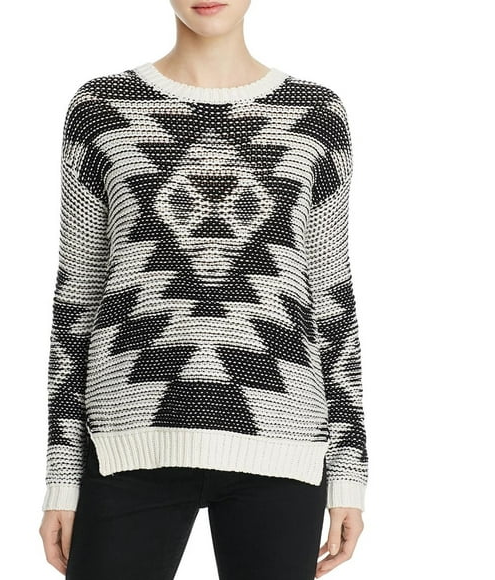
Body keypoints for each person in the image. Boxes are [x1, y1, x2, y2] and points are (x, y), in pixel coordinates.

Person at [39, 1, 368, 578]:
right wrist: (62, 477)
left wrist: (350, 471)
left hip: (284, 445)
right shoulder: (101, 108)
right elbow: (77, 298)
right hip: (125, 445)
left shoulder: (316, 115)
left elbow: (331, 300)